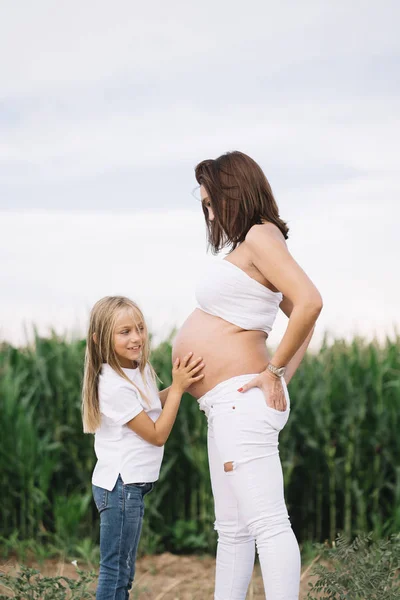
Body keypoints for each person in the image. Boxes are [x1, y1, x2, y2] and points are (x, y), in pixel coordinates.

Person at [172, 151, 323, 600]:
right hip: (223, 402)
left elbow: (310, 302)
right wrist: (279, 376)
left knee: (268, 525)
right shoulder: (251, 245)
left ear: (234, 191)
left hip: (241, 401)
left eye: (212, 201)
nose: (210, 212)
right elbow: (301, 315)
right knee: (233, 531)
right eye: (204, 205)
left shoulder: (260, 235)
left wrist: (275, 372)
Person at [82, 295, 204, 600]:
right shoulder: (112, 384)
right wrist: (176, 389)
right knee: (115, 571)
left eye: (139, 328)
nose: (136, 338)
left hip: (132, 485)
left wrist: (180, 388)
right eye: (125, 332)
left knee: (125, 571)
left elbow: (149, 405)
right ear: (100, 340)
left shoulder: (139, 368)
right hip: (120, 486)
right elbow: (157, 433)